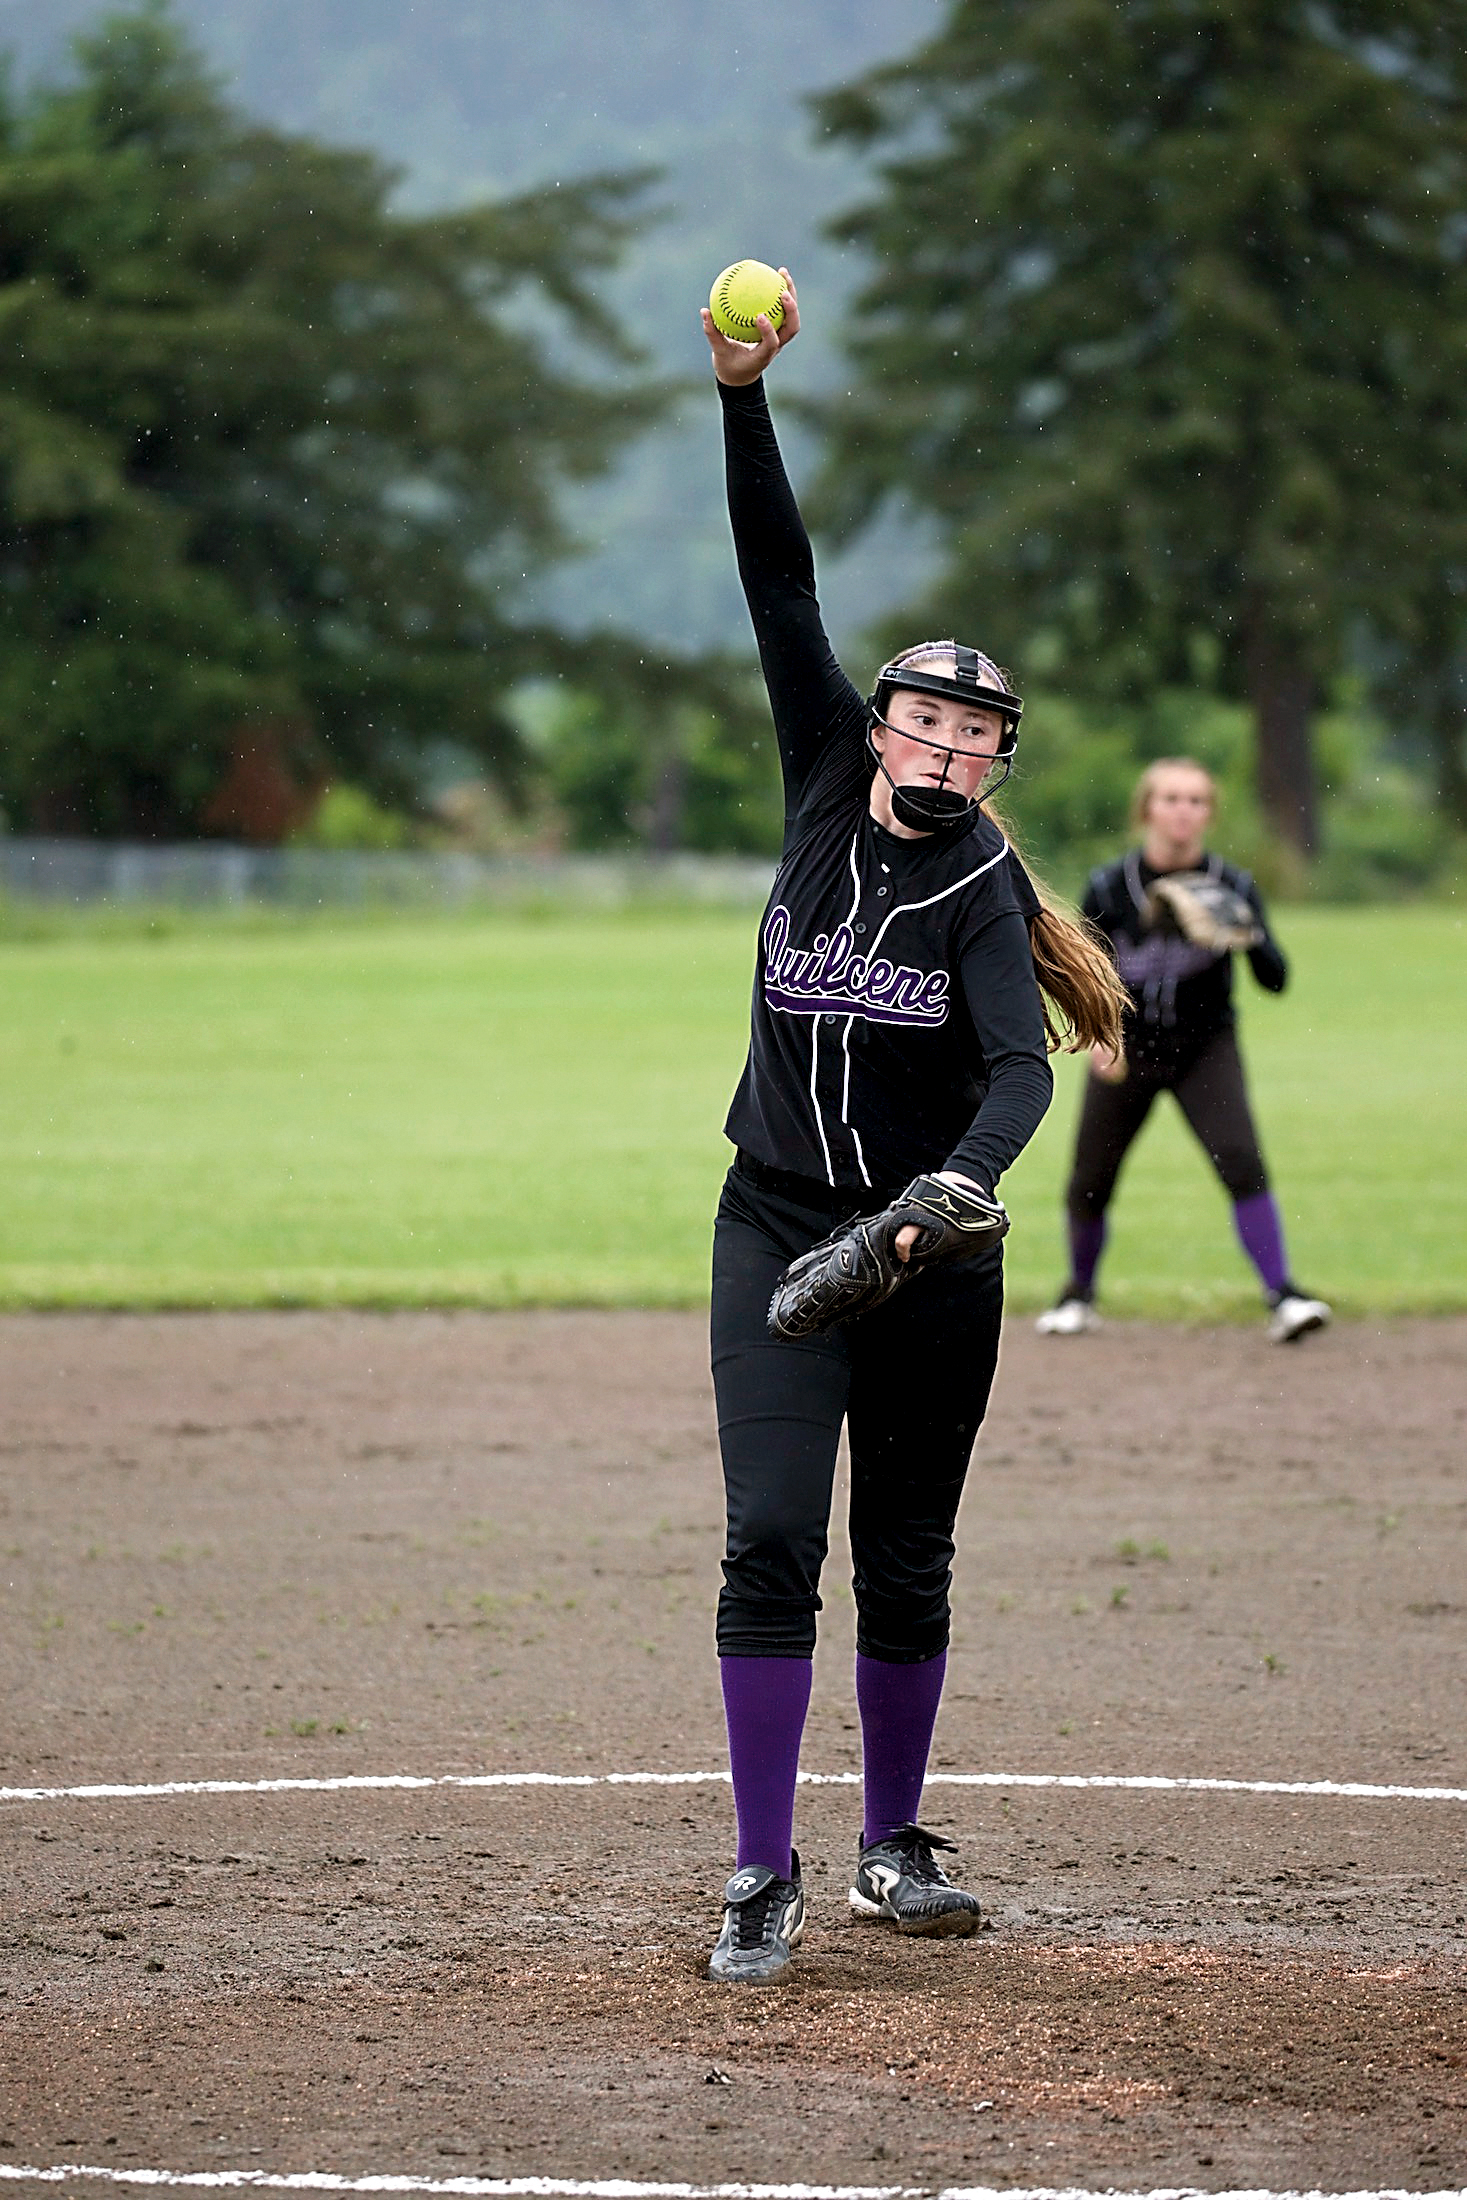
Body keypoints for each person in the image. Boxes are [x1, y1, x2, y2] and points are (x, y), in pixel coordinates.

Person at [699, 272, 1127, 1985]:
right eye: (925, 713)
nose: (946, 740)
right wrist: (742, 397)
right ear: (878, 726)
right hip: (771, 1222)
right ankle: (755, 1870)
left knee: (908, 1559)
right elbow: (779, 580)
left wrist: (948, 1196)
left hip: (922, 1261)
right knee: (769, 1539)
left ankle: (889, 1843)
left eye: (977, 728)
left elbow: (1020, 1075)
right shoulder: (818, 771)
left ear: (993, 756)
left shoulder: (976, 880)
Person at [1036, 757, 1331, 1345]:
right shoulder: (1109, 885)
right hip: (1129, 1046)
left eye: (1196, 801)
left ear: (1209, 815)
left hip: (1205, 1048)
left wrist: (1247, 934)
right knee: (1091, 1178)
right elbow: (1080, 973)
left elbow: (1276, 980)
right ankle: (1078, 1296)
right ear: (1146, 809)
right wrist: (1099, 1037)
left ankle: (1284, 1295)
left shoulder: (1232, 883)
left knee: (1240, 1160)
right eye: (1170, 798)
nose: (1183, 811)